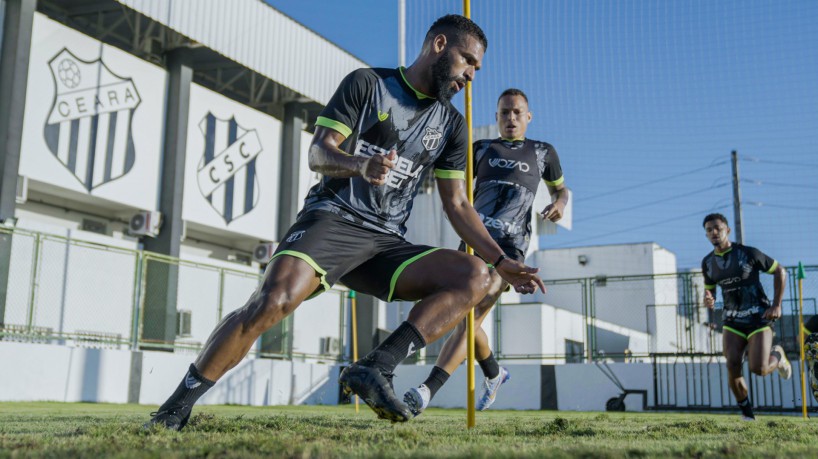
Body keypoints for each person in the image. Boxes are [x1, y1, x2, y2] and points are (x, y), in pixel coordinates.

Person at [145, 14, 546, 430]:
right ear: (439, 45)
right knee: (273, 301)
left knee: (474, 277)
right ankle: (173, 410)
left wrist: (501, 262)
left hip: (386, 242)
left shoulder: (451, 126)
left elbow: (458, 206)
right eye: (468, 61)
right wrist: (359, 164)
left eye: (477, 68)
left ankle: (377, 366)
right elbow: (318, 154)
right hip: (333, 219)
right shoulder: (366, 84)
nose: (471, 74)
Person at [404, 88, 568, 416]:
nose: (511, 118)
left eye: (517, 112)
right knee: (461, 313)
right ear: (496, 117)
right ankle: (494, 373)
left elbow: (560, 189)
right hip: (474, 240)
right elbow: (451, 183)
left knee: (471, 316)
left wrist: (559, 204)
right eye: (504, 112)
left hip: (510, 250)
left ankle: (426, 390)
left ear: (528, 116)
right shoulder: (480, 149)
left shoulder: (543, 152)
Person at [701, 213, 791, 421]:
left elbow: (780, 271)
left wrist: (777, 305)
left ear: (727, 230)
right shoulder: (707, 263)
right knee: (732, 364)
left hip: (758, 318)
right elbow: (710, 292)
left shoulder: (748, 253)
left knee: (758, 368)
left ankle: (777, 355)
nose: (714, 232)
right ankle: (748, 415)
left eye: (717, 228)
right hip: (732, 321)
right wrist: (709, 299)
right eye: (709, 230)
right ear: (706, 234)